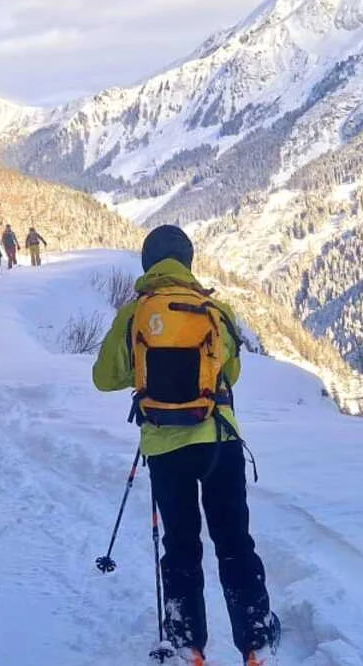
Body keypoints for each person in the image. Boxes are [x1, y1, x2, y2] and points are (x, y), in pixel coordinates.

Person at [91, 226, 280, 666]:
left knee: (180, 544)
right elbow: (229, 373)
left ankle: (187, 643)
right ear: (188, 262)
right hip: (219, 441)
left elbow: (104, 378)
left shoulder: (134, 315)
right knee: (234, 540)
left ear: (148, 264)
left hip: (164, 447)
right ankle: (255, 643)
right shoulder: (215, 309)